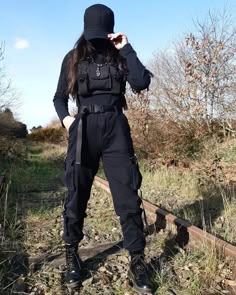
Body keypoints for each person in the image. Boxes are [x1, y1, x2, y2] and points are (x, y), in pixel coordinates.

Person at [53, 4, 153, 293]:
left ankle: (137, 260)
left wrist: (126, 47)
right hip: (83, 129)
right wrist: (67, 121)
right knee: (76, 193)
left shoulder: (119, 55)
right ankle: (72, 254)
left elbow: (142, 82)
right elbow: (59, 98)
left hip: (115, 129)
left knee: (127, 196)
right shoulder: (72, 58)